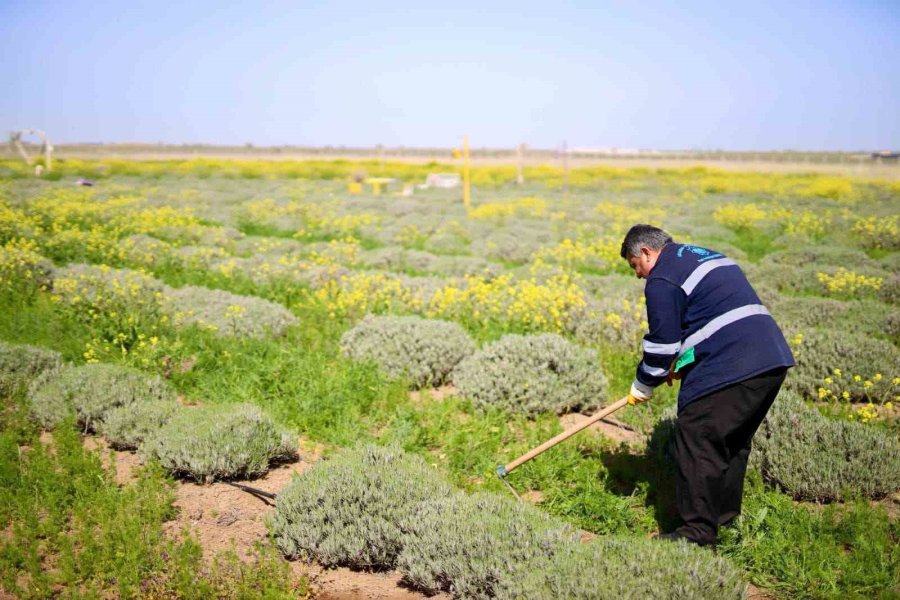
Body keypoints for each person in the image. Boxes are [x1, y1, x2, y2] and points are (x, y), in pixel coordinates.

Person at [621, 224, 794, 547]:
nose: (638, 276)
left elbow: (661, 343)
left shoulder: (662, 278)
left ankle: (697, 534)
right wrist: (680, 362)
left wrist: (644, 383)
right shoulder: (702, 256)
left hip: (731, 364)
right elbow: (711, 320)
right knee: (731, 440)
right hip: (771, 358)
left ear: (646, 252)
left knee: (697, 437)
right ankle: (723, 519)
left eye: (636, 266)